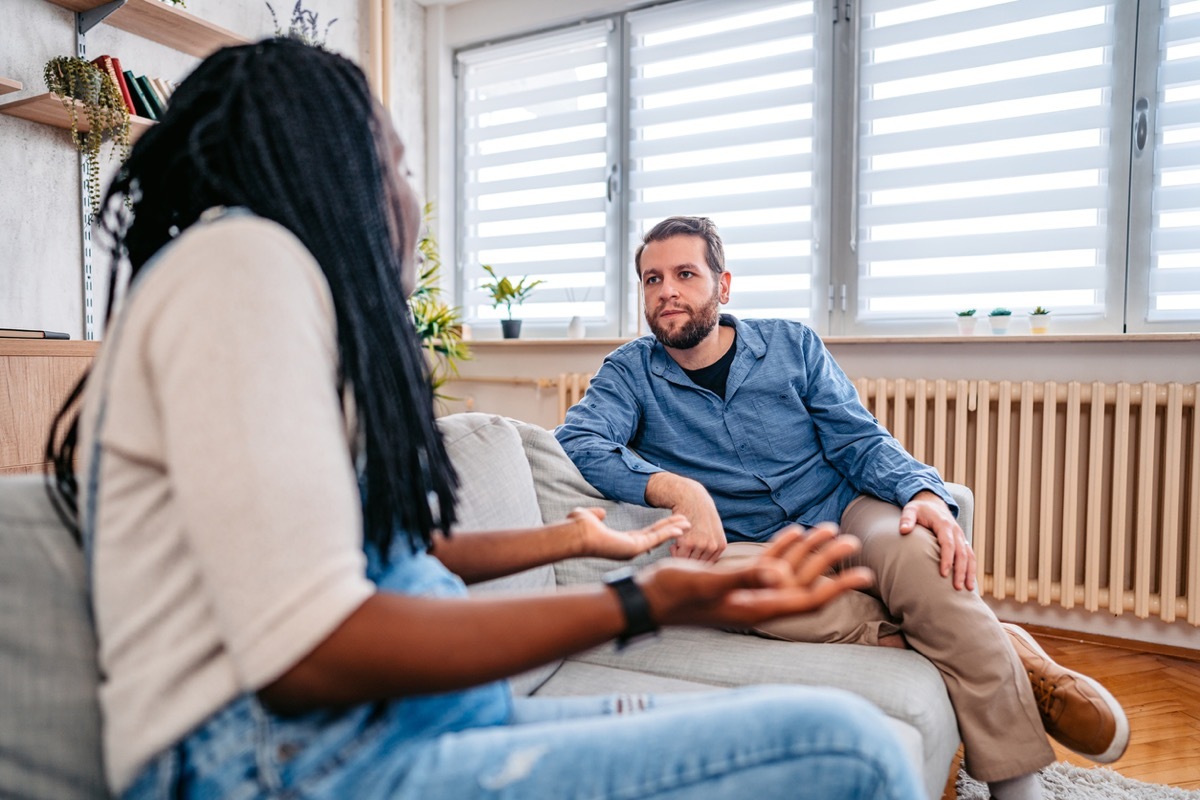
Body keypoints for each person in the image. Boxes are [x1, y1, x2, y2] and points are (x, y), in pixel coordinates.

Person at [45, 41, 928, 800]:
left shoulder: (260, 284)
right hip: (286, 764)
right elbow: (308, 648)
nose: (408, 199)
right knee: (848, 749)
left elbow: (364, 559)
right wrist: (642, 600)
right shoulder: (242, 262)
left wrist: (569, 539)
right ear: (326, 169)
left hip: (394, 735)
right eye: (393, 166)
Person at [556, 216, 1131, 800]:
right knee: (711, 589)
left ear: (723, 285)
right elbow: (577, 442)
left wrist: (922, 492)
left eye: (685, 274)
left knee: (924, 553)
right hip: (749, 543)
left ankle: (1017, 789)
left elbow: (859, 440)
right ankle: (993, 644)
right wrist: (680, 489)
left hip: (843, 509)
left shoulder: (791, 344)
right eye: (652, 280)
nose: (667, 291)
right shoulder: (628, 372)